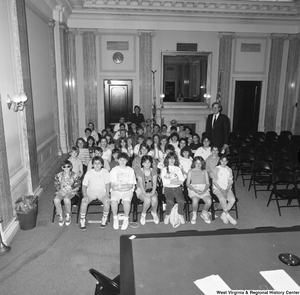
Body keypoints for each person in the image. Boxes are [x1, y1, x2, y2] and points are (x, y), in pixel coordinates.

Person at [79, 156, 110, 231]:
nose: (97, 165)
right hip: (91, 192)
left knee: (107, 202)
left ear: (102, 164)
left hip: (101, 192)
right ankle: (82, 219)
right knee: (84, 202)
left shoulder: (105, 172)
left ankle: (104, 218)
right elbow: (84, 185)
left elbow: (107, 184)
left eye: (99, 163)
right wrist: (85, 195)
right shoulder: (89, 173)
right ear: (92, 165)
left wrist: (107, 195)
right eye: (95, 163)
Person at [110, 153, 136, 230]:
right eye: (120, 160)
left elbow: (130, 185)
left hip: (127, 190)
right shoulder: (114, 170)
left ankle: (126, 219)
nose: (122, 161)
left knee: (126, 202)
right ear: (117, 160)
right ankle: (115, 218)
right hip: (116, 190)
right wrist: (120, 188)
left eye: (124, 160)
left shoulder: (130, 170)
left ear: (127, 161)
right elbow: (113, 185)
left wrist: (121, 187)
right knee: (113, 201)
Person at [161, 152, 185, 225]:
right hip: (168, 189)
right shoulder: (164, 169)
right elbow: (164, 182)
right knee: (170, 201)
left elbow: (181, 181)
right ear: (167, 159)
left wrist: (170, 181)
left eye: (173, 158)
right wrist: (175, 180)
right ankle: (167, 215)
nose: (172, 160)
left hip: (177, 188)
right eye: (170, 158)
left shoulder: (177, 168)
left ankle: (180, 214)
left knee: (181, 201)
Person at [54, 160, 81, 226]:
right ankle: (60, 215)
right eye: (64, 166)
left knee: (66, 199)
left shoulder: (74, 175)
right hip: (61, 191)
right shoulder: (58, 175)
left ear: (71, 167)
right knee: (56, 200)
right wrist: (60, 190)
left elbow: (77, 187)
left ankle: (68, 215)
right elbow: (56, 185)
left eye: (68, 166)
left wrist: (70, 191)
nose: (66, 168)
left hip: (71, 191)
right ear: (62, 167)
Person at [211, 155, 237, 225]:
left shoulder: (229, 169)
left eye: (225, 161)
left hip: (227, 189)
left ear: (227, 162)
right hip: (217, 189)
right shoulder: (216, 169)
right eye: (222, 160)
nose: (224, 162)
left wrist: (226, 190)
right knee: (223, 199)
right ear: (220, 161)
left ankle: (224, 214)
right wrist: (221, 189)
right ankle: (227, 214)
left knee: (233, 200)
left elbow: (230, 181)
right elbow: (214, 181)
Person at [186, 156, 212, 224]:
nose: (198, 165)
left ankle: (204, 213)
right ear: (194, 163)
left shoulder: (205, 171)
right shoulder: (190, 171)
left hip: (203, 188)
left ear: (202, 164)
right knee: (195, 200)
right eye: (196, 163)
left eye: (200, 163)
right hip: (193, 188)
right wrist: (195, 190)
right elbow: (188, 184)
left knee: (209, 201)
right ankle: (194, 214)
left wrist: (204, 190)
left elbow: (208, 183)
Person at [136, 155, 160, 225]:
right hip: (141, 189)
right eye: (145, 162)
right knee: (147, 200)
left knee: (155, 199)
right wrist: (145, 193)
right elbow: (140, 183)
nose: (147, 164)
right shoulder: (139, 171)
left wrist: (153, 192)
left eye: (149, 162)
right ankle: (143, 214)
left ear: (151, 163)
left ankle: (154, 212)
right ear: (142, 163)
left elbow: (155, 182)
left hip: (151, 189)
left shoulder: (154, 171)